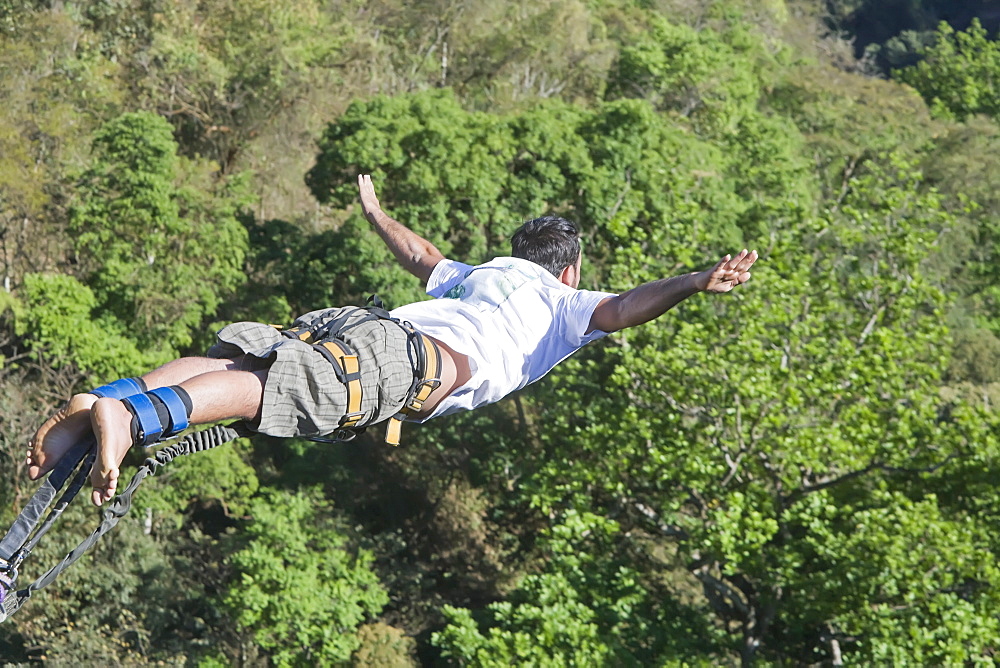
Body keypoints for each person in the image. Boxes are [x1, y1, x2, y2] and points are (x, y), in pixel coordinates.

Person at [27, 174, 758, 507]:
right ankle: (133, 418)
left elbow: (418, 253)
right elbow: (629, 307)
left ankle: (117, 398)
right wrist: (695, 280)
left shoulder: (483, 273)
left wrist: (374, 210)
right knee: (270, 391)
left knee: (242, 359)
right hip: (412, 365)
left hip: (371, 324)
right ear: (568, 267)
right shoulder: (568, 300)